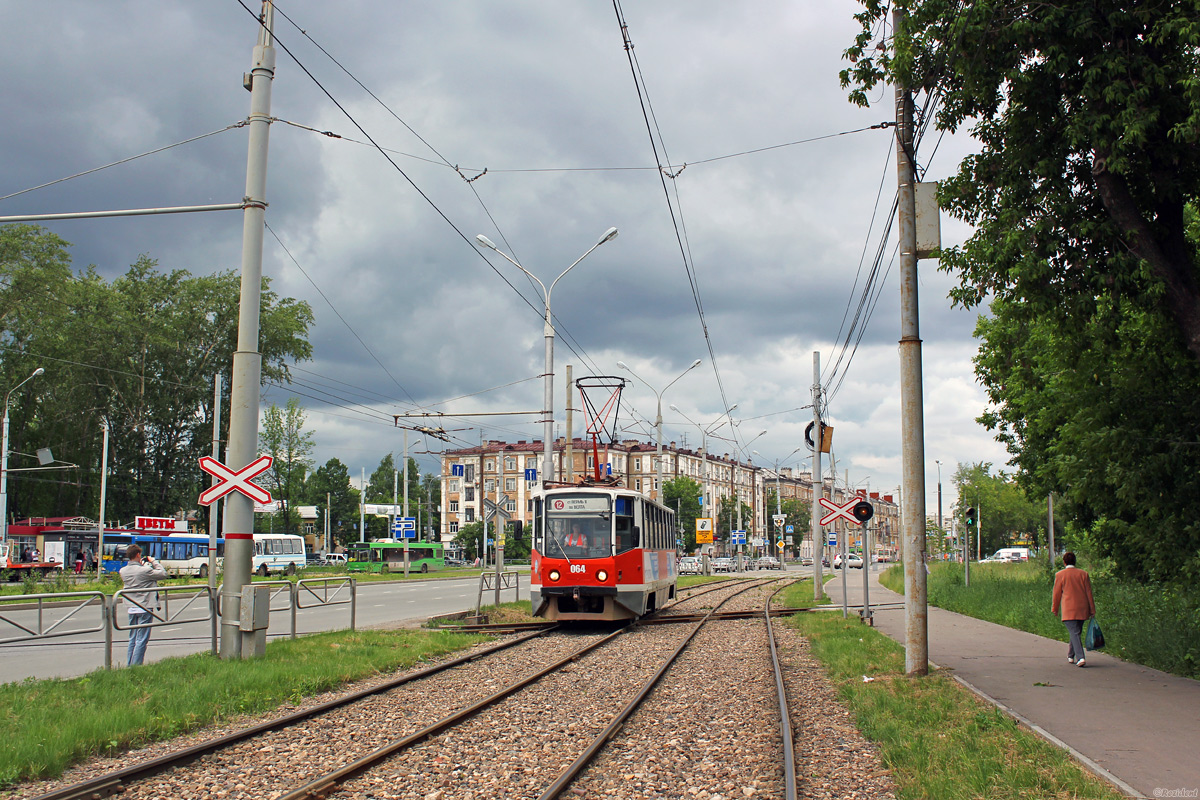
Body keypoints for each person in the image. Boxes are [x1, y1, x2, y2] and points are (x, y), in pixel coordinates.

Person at [119, 544, 168, 666]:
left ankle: (130, 664)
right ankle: (136, 665)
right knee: (142, 639)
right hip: (144, 606)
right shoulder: (145, 570)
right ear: (138, 555)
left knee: (133, 638)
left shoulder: (123, 571)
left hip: (131, 607)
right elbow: (163, 574)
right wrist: (153, 561)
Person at [1052, 551, 1097, 668]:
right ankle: (1070, 655)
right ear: (1075, 561)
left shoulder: (1060, 575)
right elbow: (1089, 593)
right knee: (1076, 632)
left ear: (1064, 562)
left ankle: (1081, 657)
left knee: (1075, 632)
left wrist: (1055, 608)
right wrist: (1092, 609)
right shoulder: (1083, 574)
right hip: (1082, 609)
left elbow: (1056, 594)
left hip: (1069, 609)